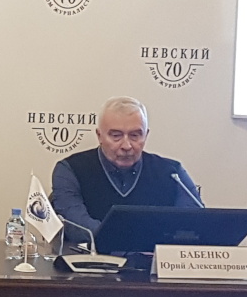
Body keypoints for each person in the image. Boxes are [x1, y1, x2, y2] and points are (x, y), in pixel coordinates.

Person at [51, 96, 202, 240]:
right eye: (116, 136)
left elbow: (195, 222)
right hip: (91, 257)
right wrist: (141, 238)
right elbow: (77, 227)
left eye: (135, 135)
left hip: (155, 258)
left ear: (146, 135)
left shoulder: (172, 172)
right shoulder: (70, 169)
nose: (127, 145)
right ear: (99, 135)